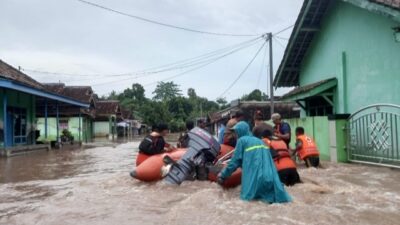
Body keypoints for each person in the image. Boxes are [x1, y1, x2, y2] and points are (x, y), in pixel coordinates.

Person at [217, 121, 292, 204]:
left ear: (241, 131)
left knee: (249, 203)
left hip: (255, 180)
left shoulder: (242, 140)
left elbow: (234, 162)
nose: (235, 135)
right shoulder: (260, 141)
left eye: (236, 132)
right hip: (270, 178)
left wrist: (223, 175)